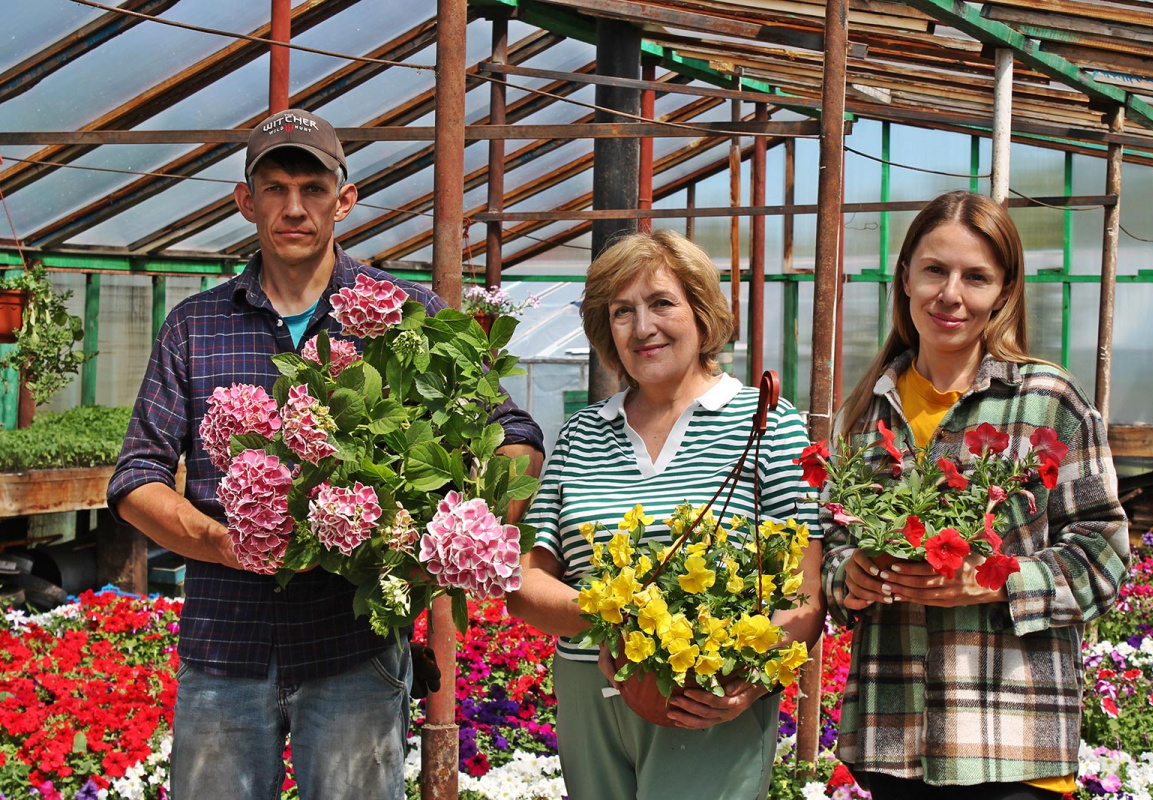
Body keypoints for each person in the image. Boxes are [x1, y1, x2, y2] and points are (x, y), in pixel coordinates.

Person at [106, 108, 544, 800]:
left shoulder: (404, 309)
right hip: (226, 647)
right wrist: (221, 541)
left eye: (312, 189)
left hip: (353, 651)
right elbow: (137, 477)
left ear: (344, 199)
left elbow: (510, 430)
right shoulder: (197, 324)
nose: (293, 208)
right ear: (245, 201)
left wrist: (471, 528)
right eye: (274, 189)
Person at [822, 190, 1130, 799]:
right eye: (935, 269)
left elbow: (1104, 555)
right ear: (905, 273)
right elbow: (833, 545)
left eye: (976, 277)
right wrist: (848, 579)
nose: (951, 295)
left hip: (1011, 743)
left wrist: (995, 579)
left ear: (1004, 292)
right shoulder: (865, 410)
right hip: (892, 742)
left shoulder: (1048, 401)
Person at [508, 229, 826, 800]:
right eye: (622, 311)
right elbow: (527, 581)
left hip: (707, 696)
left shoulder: (767, 423)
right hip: (589, 695)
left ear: (702, 313)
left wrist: (747, 685)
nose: (642, 327)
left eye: (661, 303)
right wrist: (609, 618)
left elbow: (803, 595)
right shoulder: (583, 432)